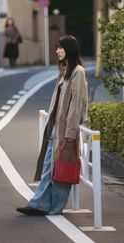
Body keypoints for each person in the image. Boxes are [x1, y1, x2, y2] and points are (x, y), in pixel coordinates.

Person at [17, 35, 88, 216]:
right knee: (50, 167)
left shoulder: (77, 72)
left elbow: (77, 104)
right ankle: (39, 204)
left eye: (60, 47)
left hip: (65, 130)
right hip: (55, 127)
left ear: (69, 49)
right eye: (57, 47)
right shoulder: (64, 72)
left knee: (62, 168)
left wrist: (71, 133)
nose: (57, 51)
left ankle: (53, 207)